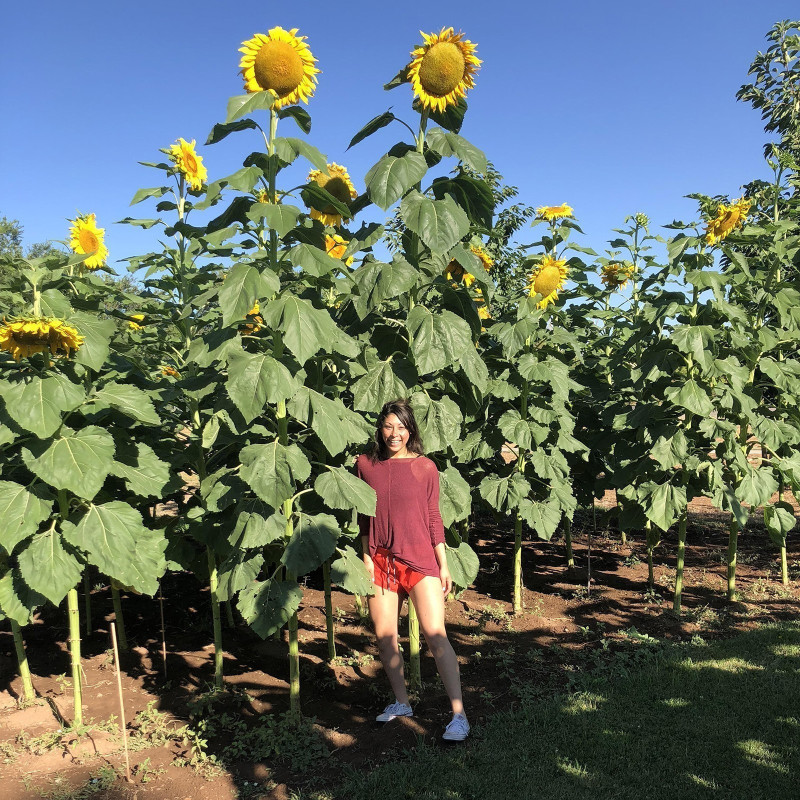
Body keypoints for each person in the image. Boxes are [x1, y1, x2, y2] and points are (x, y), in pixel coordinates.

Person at [356, 398, 469, 742]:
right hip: (381, 561)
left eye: (401, 427)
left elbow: (434, 517)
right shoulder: (365, 465)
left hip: (420, 560)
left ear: (410, 431)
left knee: (436, 637)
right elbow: (363, 517)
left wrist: (444, 563)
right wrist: (365, 558)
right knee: (386, 636)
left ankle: (459, 715)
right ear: (380, 428)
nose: (394, 434)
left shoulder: (425, 468)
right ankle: (402, 703)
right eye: (388, 426)